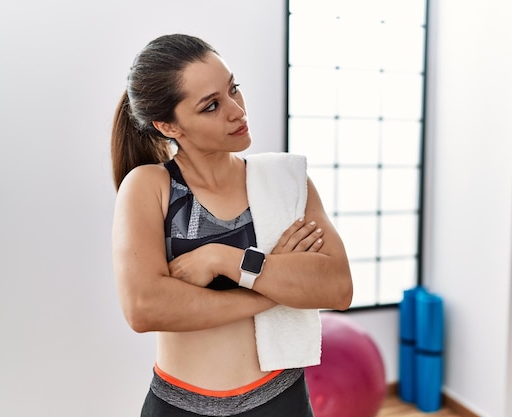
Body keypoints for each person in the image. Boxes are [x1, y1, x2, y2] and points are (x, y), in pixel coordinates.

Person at [111, 34, 353, 417]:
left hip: (280, 401)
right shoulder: (149, 186)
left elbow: (337, 288)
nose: (237, 110)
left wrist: (225, 259)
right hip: (179, 406)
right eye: (211, 106)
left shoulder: (287, 183)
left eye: (233, 89)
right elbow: (145, 308)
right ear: (168, 125)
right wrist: (273, 290)